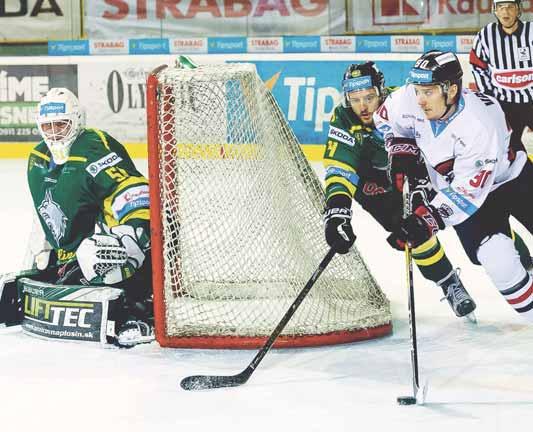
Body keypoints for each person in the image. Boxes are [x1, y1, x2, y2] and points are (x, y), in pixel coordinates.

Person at [374, 50, 533, 322]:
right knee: (497, 258)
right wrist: (401, 149)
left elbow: (467, 191)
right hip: (459, 189)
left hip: (513, 179)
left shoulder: (478, 123)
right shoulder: (407, 100)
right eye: (417, 90)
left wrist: (426, 220)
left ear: (452, 89)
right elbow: (385, 120)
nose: (420, 100)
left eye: (429, 92)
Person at [323, 61, 476, 318]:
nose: (363, 106)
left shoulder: (402, 104)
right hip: (373, 184)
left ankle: (501, 253)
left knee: (460, 217)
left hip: (414, 172)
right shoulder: (343, 117)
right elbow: (340, 168)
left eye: (369, 97)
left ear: (381, 91)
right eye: (355, 98)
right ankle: (448, 281)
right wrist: (338, 211)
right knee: (409, 232)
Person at [26, 87, 153, 346]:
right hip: (71, 257)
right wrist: (40, 254)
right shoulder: (37, 159)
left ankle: (138, 306)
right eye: (47, 126)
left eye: (61, 125)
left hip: (110, 245)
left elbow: (129, 188)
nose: (54, 133)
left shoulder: (93, 147)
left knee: (98, 255)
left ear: (77, 121)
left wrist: (134, 231)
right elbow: (45, 213)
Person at [470, 0, 533, 153]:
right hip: (505, 104)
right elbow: (477, 66)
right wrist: (490, 97)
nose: (505, 12)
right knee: (508, 149)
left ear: (518, 10)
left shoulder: (531, 31)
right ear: (495, 11)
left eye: (510, 7)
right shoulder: (485, 35)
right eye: (501, 8)